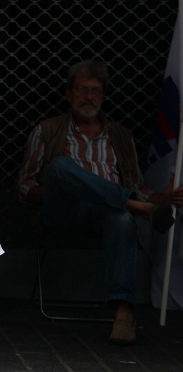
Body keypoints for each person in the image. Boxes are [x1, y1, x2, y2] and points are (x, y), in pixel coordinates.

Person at [18, 60, 183, 346]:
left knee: (120, 218)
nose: (89, 97)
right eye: (82, 89)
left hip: (106, 216)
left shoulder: (121, 135)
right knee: (60, 167)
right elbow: (24, 186)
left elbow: (138, 186)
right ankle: (135, 207)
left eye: (96, 91)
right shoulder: (47, 130)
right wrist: (66, 189)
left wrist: (162, 199)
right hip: (63, 211)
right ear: (69, 94)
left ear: (103, 96)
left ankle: (123, 314)